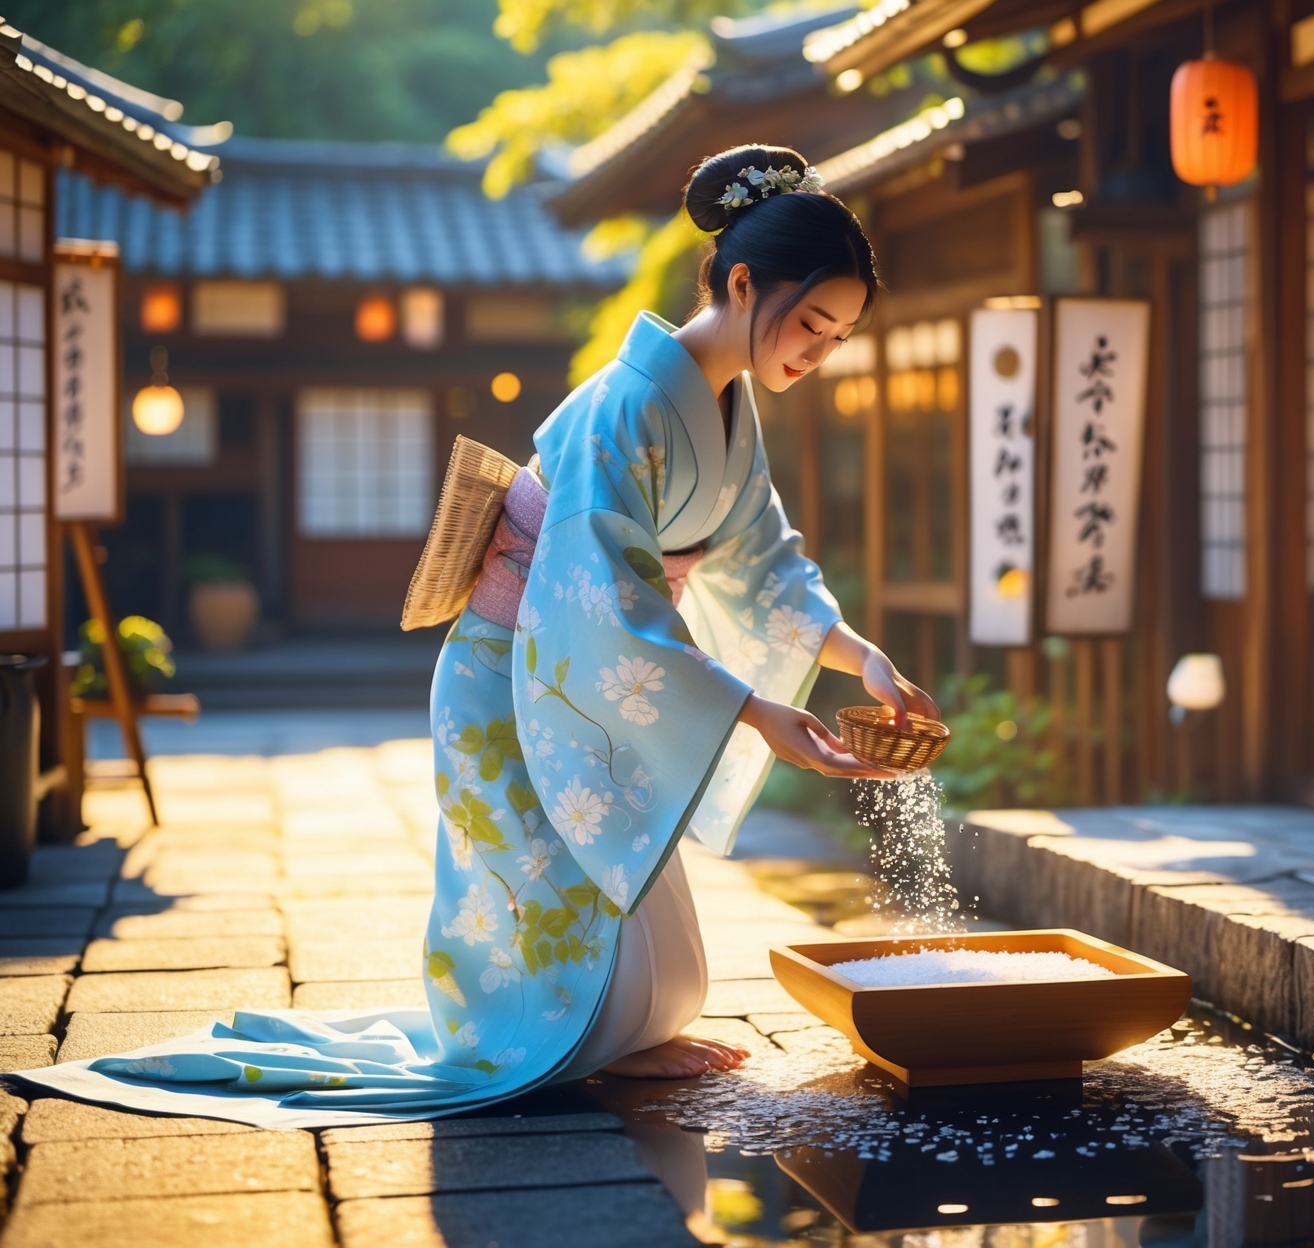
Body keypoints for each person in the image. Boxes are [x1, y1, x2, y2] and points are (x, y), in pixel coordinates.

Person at [14, 145, 936, 1127]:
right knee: (554, 916)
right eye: (810, 324)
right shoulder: (622, 407)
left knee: (643, 933)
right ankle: (554, 1039)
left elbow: (768, 568)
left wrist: (864, 659)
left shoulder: (725, 412)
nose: (815, 352)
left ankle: (618, 1038)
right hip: (516, 672)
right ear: (744, 282)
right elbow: (606, 597)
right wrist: (753, 709)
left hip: (582, 673)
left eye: (834, 337)